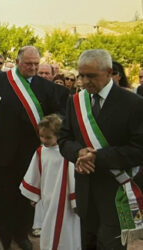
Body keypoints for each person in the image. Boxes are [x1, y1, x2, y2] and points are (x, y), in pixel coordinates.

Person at [58, 49, 143, 249]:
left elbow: (139, 149)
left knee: (111, 243)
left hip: (117, 189)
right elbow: (64, 139)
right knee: (88, 241)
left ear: (109, 72)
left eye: (91, 76)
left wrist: (97, 157)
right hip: (86, 188)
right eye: (81, 76)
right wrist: (78, 153)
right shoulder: (76, 102)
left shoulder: (133, 103)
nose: (85, 81)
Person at [0, 46, 69, 250]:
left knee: (26, 198)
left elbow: (60, 115)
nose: (33, 67)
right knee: (1, 199)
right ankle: (0, 239)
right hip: (2, 151)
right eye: (28, 63)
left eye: (36, 64)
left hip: (32, 154)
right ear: (17, 62)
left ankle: (21, 234)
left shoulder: (49, 88)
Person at [20, 114, 81, 250]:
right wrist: (34, 196)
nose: (44, 140)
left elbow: (72, 176)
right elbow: (35, 173)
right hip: (47, 197)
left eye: (48, 137)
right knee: (48, 227)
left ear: (59, 135)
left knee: (66, 228)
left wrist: (75, 199)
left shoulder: (66, 152)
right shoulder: (41, 152)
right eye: (41, 136)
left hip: (64, 199)